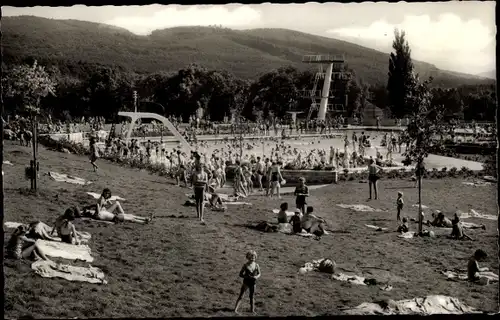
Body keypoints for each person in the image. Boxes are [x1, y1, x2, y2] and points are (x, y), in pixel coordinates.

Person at [234, 250, 261, 314]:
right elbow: (240, 274)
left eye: (253, 257)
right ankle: (235, 310)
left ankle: (252, 310)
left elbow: (259, 273)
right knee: (241, 296)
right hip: (246, 283)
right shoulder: (245, 265)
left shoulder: (257, 265)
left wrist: (256, 277)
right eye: (251, 257)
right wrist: (246, 277)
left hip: (253, 283)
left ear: (255, 257)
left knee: (252, 296)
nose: (252, 258)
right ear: (248, 258)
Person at [192, 158, 208, 223]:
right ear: (198, 167)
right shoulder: (196, 173)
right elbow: (194, 181)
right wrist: (202, 181)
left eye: (201, 167)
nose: (200, 168)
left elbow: (206, 181)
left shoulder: (205, 174)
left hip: (202, 188)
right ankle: (198, 215)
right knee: (197, 202)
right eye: (199, 167)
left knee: (202, 202)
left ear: (203, 167)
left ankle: (201, 217)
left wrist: (199, 181)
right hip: (197, 188)